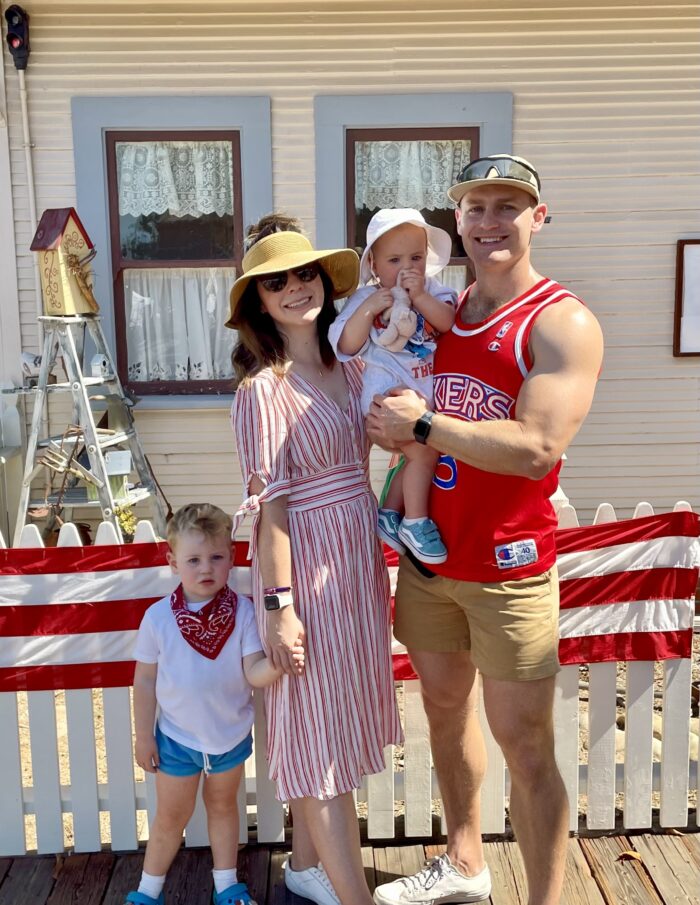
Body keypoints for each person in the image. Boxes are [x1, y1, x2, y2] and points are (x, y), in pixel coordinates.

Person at [368, 155, 604, 905]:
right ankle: (465, 862)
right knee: (443, 710)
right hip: (431, 558)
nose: (491, 221)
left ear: (540, 217)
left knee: (527, 745)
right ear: (457, 222)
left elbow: (538, 444)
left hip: (510, 567)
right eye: (476, 207)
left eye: (509, 206)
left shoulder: (561, 320)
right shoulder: (451, 307)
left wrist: (425, 422)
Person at [227, 215, 402, 905]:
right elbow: (271, 509)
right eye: (277, 281)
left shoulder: (350, 364)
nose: (297, 288)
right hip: (305, 569)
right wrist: (280, 606)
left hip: (356, 562)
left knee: (339, 719)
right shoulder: (261, 390)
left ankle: (306, 867)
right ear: (259, 302)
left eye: (305, 274)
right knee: (318, 738)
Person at [127, 503, 303, 905]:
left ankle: (226, 886)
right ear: (173, 562)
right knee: (171, 817)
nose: (205, 568)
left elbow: (252, 671)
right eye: (193, 559)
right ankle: (146, 892)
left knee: (223, 809)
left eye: (216, 557)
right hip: (175, 739)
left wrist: (279, 663)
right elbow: (146, 680)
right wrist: (143, 736)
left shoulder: (243, 613)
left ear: (232, 558)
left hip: (228, 736)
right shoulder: (157, 619)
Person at [328, 209, 457, 565]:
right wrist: (369, 308)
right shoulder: (365, 298)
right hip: (384, 397)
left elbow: (447, 324)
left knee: (416, 454)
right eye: (394, 259)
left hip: (421, 396)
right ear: (373, 263)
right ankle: (415, 521)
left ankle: (389, 512)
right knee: (424, 450)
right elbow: (347, 345)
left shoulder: (434, 291)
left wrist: (421, 299)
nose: (406, 268)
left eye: (415, 258)